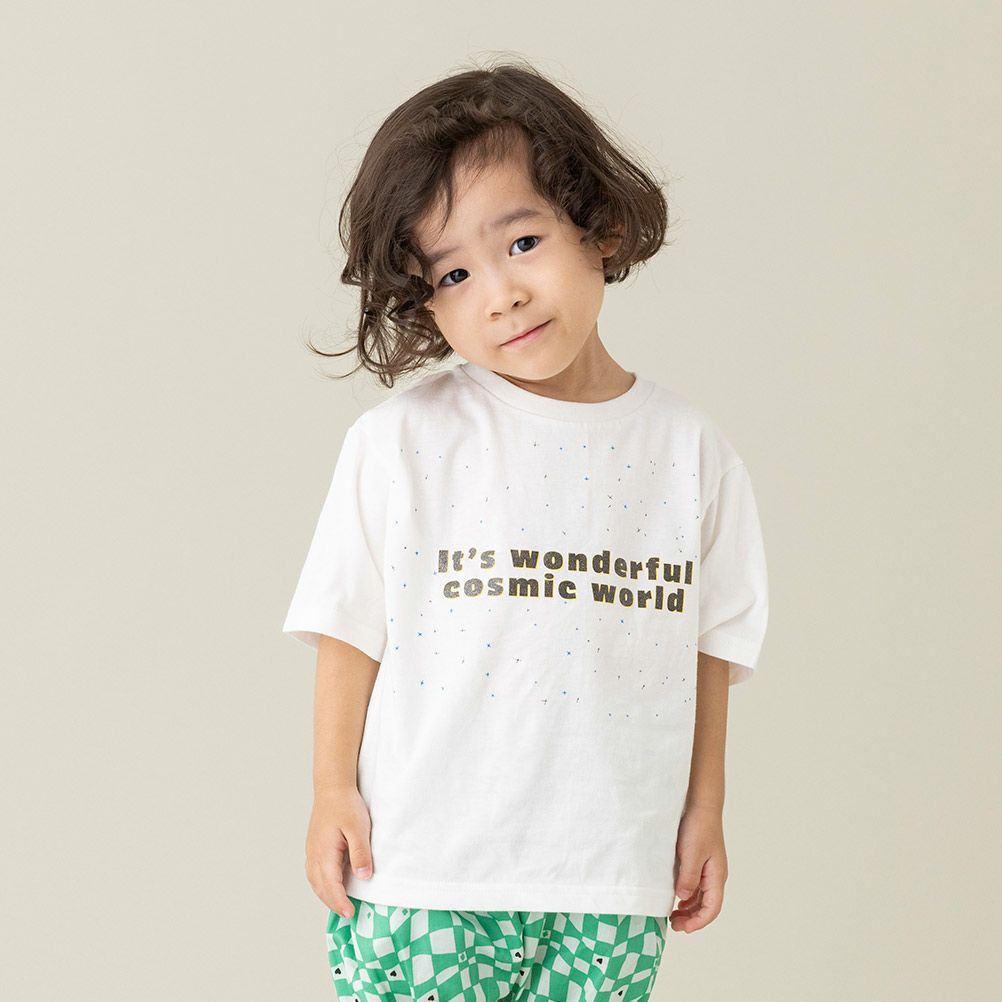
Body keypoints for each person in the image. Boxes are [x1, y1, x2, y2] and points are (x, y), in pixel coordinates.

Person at [283, 57, 769, 1002]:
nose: (500, 292)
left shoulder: (691, 454)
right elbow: (349, 627)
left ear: (599, 226)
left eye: (523, 241)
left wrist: (705, 811)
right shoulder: (402, 443)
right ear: (426, 301)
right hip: (426, 868)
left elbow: (708, 650)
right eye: (455, 273)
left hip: (609, 875)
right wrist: (331, 790)